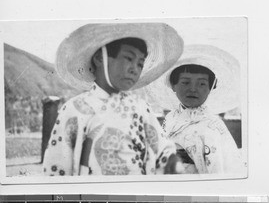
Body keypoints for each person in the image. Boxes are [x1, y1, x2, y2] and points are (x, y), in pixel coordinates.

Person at [42, 23, 184, 176]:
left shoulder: (140, 107)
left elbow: (162, 149)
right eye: (128, 58)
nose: (134, 68)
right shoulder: (74, 109)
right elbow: (56, 167)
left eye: (140, 63)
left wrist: (172, 162)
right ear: (99, 58)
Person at [147, 45, 245, 175]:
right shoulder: (171, 118)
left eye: (202, 84)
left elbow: (219, 168)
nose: (193, 89)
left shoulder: (213, 126)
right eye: (185, 82)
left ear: (210, 89)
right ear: (173, 85)